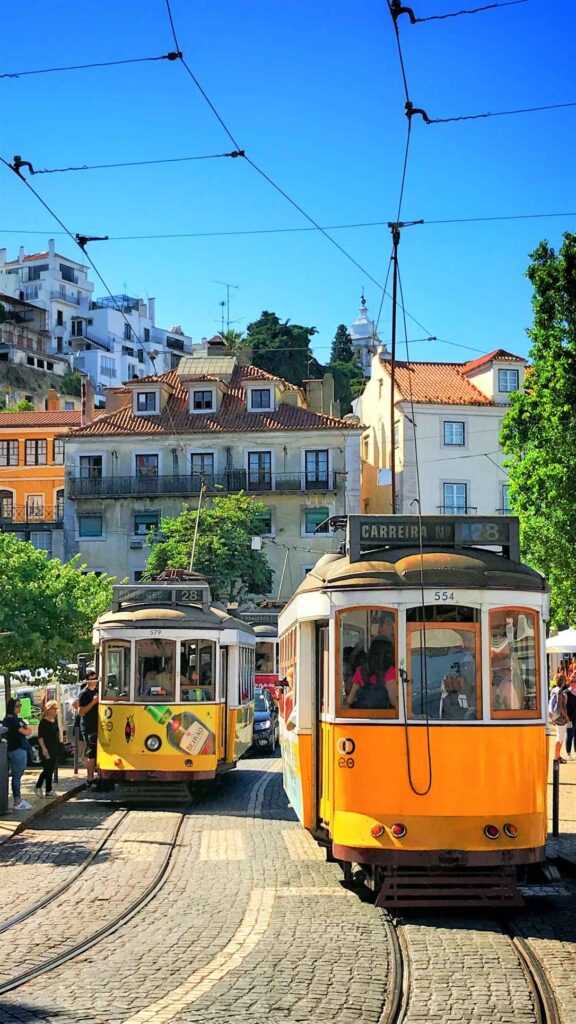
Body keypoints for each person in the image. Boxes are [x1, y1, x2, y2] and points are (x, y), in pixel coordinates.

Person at [346, 636, 397, 710]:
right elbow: (393, 701)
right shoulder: (390, 671)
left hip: (361, 717)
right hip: (383, 716)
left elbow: (350, 700)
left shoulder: (360, 670)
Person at [2, 698, 33, 810]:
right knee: (17, 776)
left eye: (20, 705)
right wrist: (25, 727)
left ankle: (17, 799)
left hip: (12, 750)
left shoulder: (8, 719)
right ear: (12, 707)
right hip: (17, 750)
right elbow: (27, 731)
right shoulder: (13, 720)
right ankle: (17, 801)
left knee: (16, 775)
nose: (19, 707)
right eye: (17, 706)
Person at [35, 700, 61, 797]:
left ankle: (48, 790)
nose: (55, 711)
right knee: (47, 769)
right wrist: (44, 749)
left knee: (51, 769)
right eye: (54, 708)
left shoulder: (55, 720)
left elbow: (57, 733)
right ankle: (38, 786)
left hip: (54, 747)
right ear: (49, 710)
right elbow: (40, 737)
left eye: (56, 709)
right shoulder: (43, 722)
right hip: (46, 748)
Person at [78, 670, 99, 786]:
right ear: (87, 680)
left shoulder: (98, 691)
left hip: (99, 726)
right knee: (91, 752)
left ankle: (96, 776)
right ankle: (89, 779)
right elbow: (81, 712)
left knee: (96, 752)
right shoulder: (84, 694)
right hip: (88, 727)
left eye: (95, 679)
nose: (94, 681)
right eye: (91, 679)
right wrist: (94, 702)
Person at [549, 671, 570, 764]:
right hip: (561, 718)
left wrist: (552, 717)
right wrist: (567, 717)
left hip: (556, 717)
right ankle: (556, 757)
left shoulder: (554, 690)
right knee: (560, 737)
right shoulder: (560, 691)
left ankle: (558, 756)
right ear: (563, 681)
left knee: (560, 736)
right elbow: (561, 707)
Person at [566, 673, 576, 761]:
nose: (574, 683)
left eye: (575, 681)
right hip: (569, 718)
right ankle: (568, 753)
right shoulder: (567, 692)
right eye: (572, 681)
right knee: (570, 735)